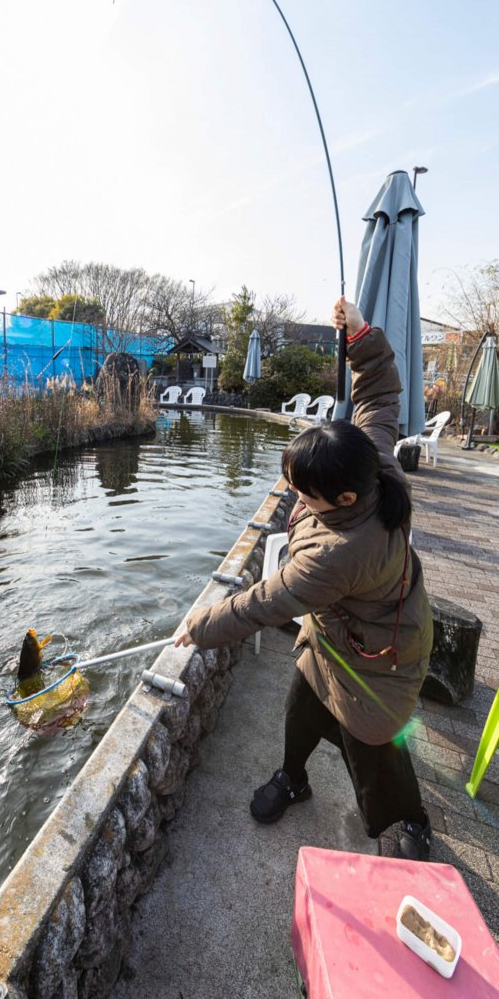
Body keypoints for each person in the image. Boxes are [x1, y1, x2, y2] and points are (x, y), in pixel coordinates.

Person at [176, 297, 434, 860]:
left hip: (379, 658)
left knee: (373, 747)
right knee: (301, 708)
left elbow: (262, 603)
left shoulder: (340, 554)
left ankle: (410, 820)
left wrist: (199, 625)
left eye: (300, 489)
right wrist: (361, 333)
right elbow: (378, 395)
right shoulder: (371, 462)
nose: (293, 494)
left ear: (342, 498)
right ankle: (294, 778)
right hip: (333, 637)